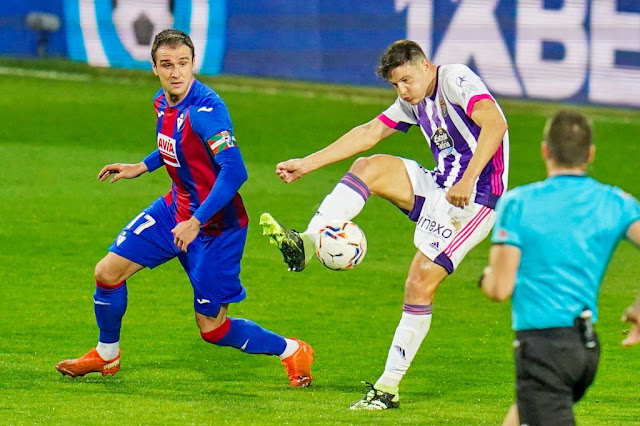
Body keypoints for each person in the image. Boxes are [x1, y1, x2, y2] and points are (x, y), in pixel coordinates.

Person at [55, 29, 314, 387]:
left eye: (182, 63)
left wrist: (196, 221)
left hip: (215, 229)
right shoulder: (162, 101)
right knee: (107, 272)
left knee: (212, 328)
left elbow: (235, 171)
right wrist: (141, 166)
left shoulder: (207, 111)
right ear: (155, 68)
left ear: (194, 63)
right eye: (167, 65)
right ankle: (106, 355)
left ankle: (292, 349)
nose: (175, 72)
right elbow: (176, 145)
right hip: (174, 212)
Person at [260, 39, 509, 409]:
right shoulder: (414, 98)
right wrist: (307, 163)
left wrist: (469, 178)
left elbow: (495, 122)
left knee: (418, 282)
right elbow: (369, 132)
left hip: (475, 197)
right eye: (395, 85)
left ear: (426, 66)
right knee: (369, 166)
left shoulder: (456, 78)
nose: (402, 91)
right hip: (441, 185)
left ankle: (388, 388)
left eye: (406, 80)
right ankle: (309, 241)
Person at [480, 109, 640, 425]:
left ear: (545, 151)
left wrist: (484, 278)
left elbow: (499, 289)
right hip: (585, 349)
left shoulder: (518, 202)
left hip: (543, 350)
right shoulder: (615, 202)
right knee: (522, 415)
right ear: (590, 154)